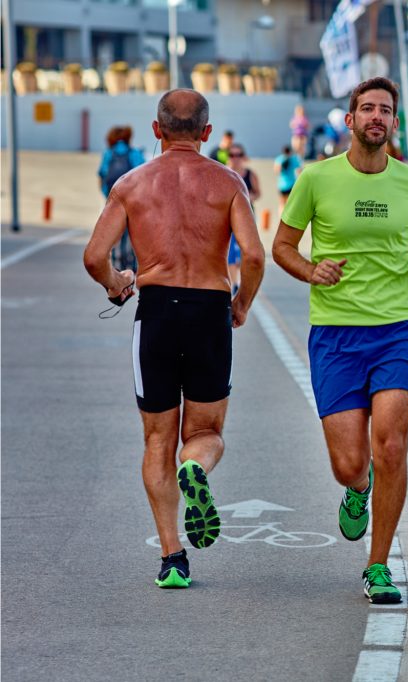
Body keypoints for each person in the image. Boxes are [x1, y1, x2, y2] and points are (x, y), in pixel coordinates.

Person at [272, 77, 408, 604]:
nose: (377, 116)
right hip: (335, 334)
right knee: (350, 463)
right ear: (349, 120)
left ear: (395, 123)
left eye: (386, 110)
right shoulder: (316, 178)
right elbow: (283, 245)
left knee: (392, 446)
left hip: (398, 330)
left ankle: (378, 566)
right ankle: (358, 488)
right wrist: (310, 270)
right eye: (367, 108)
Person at [83, 89, 265, 589]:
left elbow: (95, 256)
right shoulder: (229, 182)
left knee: (157, 438)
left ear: (156, 129)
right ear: (207, 133)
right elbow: (253, 256)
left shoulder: (131, 183)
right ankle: (196, 468)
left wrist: (118, 283)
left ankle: (172, 560)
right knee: (203, 434)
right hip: (209, 313)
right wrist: (241, 303)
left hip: (157, 312)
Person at [98, 126, 146, 270]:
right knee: (132, 235)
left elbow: (102, 175)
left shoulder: (108, 154)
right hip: (133, 202)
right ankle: (131, 267)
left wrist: (107, 196)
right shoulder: (134, 153)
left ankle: (116, 266)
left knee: (115, 235)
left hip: (112, 201)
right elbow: (143, 176)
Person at [226, 142, 261, 295]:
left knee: (246, 251)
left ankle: (240, 281)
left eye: (238, 155)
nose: (235, 158)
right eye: (232, 155)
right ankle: (234, 283)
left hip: (247, 218)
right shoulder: (224, 173)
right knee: (230, 253)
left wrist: (248, 197)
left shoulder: (249, 174)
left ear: (243, 157)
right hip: (228, 218)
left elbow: (258, 192)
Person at [274, 145, 303, 214]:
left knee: (282, 204)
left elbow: (276, 171)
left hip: (282, 185)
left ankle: (281, 219)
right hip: (291, 185)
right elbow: (299, 171)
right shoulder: (294, 159)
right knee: (291, 205)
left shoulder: (279, 159)